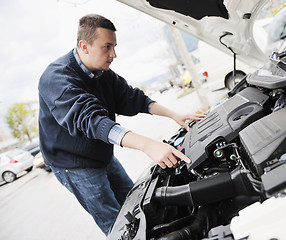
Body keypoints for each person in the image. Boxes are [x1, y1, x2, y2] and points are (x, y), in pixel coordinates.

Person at [38, 14, 205, 235]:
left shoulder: (101, 72)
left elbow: (132, 97)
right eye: (107, 47)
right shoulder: (56, 78)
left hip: (102, 153)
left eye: (114, 47)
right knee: (117, 225)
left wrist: (174, 114)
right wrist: (148, 145)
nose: (114, 54)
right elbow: (91, 120)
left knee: (137, 204)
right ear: (84, 46)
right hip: (75, 163)